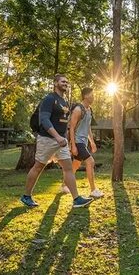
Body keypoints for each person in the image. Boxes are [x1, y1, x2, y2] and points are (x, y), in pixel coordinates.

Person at [20, 74, 94, 208]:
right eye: (62, 81)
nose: (65, 83)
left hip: (62, 142)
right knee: (38, 167)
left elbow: (65, 123)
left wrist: (65, 138)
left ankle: (76, 199)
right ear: (55, 83)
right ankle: (26, 196)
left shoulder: (64, 101)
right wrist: (57, 137)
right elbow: (44, 120)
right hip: (48, 139)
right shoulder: (49, 99)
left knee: (68, 169)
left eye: (67, 81)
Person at [61, 88, 104, 198]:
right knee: (90, 162)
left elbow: (88, 127)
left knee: (75, 164)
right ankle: (93, 190)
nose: (93, 97)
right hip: (77, 141)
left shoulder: (89, 110)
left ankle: (64, 185)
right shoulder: (78, 109)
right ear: (85, 96)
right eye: (92, 95)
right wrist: (73, 145)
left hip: (83, 142)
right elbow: (71, 128)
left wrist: (92, 142)